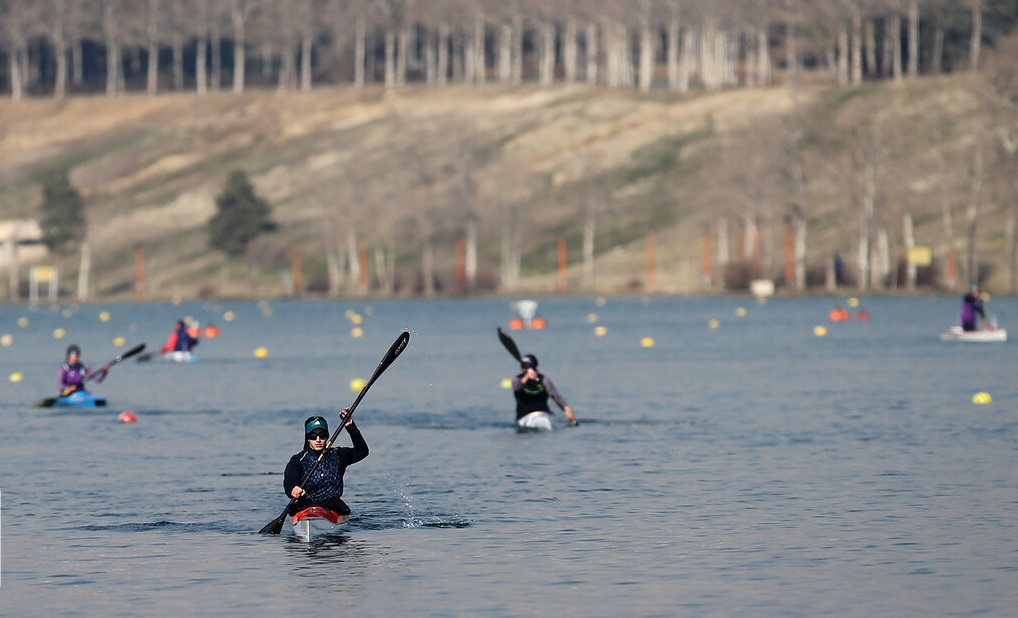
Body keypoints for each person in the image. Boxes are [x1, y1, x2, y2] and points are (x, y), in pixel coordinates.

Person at [283, 409, 368, 516]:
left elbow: (362, 452)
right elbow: (289, 483)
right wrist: (292, 490)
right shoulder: (298, 460)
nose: (318, 439)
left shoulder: (338, 455)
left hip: (333, 505)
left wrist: (351, 427)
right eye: (313, 436)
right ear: (308, 438)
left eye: (322, 435)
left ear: (327, 436)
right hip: (306, 505)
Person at [512, 354, 576, 425]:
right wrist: (527, 377)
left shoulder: (544, 380)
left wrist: (566, 408)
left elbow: (556, 396)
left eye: (526, 367)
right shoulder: (517, 380)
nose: (524, 369)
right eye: (523, 367)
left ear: (534, 367)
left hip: (544, 415)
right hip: (524, 417)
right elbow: (517, 387)